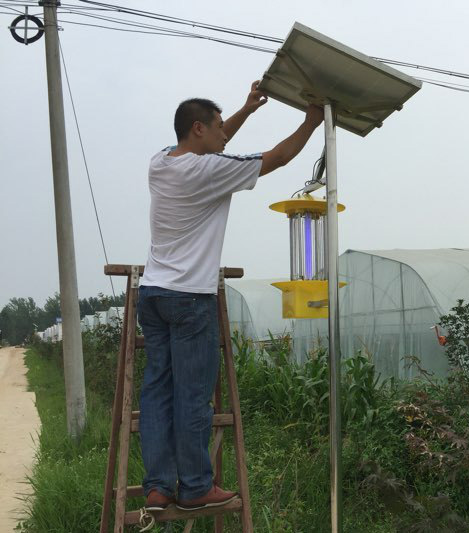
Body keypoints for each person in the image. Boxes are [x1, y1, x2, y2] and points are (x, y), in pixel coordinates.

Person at [137, 82, 323, 511]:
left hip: (153, 294)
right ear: (198, 128)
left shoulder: (160, 161)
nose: (225, 133)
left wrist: (247, 109)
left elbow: (215, 144)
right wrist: (311, 122)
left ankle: (158, 486)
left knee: (157, 392)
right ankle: (195, 486)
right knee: (192, 395)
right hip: (189, 298)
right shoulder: (207, 171)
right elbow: (276, 158)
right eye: (219, 126)